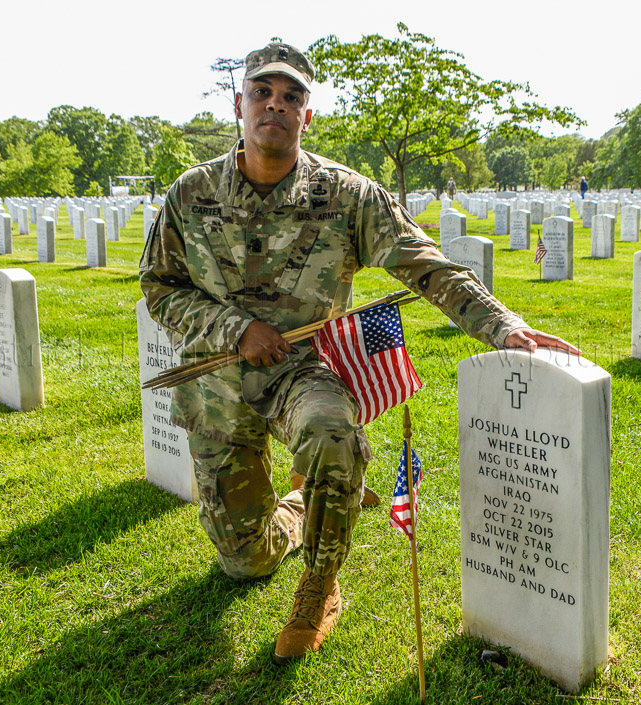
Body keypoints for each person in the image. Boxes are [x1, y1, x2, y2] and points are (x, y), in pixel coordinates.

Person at [139, 41, 581, 665]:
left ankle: (320, 584)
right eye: (263, 93)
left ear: (306, 115)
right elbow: (159, 287)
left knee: (331, 432)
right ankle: (302, 505)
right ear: (238, 104)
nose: (276, 105)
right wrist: (234, 328)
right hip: (220, 379)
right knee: (245, 562)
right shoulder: (192, 194)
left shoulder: (346, 195)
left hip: (305, 367)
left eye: (291, 96)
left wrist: (504, 327)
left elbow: (428, 266)